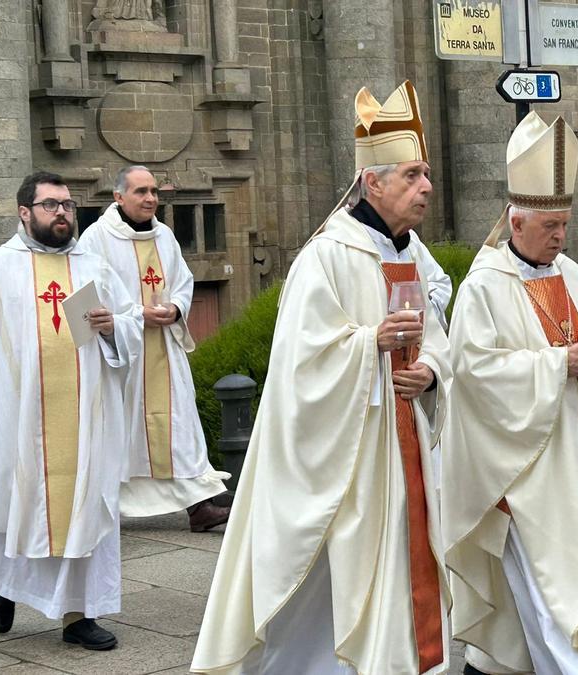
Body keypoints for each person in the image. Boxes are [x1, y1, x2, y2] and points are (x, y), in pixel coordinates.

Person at [191, 81, 452, 675]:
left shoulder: (411, 253)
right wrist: (369, 344)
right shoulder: (326, 255)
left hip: (403, 444)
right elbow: (300, 361)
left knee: (400, 566)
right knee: (326, 574)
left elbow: (435, 333)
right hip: (345, 452)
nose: (426, 188)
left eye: (426, 175)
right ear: (373, 184)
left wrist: (431, 371)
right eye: (413, 175)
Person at [0, 171, 143, 650]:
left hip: (85, 420)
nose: (62, 213)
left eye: (68, 205)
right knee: (11, 502)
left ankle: (79, 616)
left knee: (84, 511)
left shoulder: (92, 265)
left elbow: (130, 322)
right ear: (24, 212)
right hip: (18, 420)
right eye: (50, 204)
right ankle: (4, 584)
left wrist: (113, 327)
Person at [443, 111, 578, 675]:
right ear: (516, 221)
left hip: (575, 455)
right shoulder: (484, 285)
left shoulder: (572, 275)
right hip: (521, 466)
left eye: (565, 224)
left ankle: (494, 664)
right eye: (550, 225)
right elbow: (472, 371)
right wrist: (557, 366)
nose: (560, 237)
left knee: (563, 573)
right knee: (554, 581)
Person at [78, 166, 231, 532]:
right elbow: (84, 295)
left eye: (154, 191)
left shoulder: (164, 236)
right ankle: (101, 508)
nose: (150, 199)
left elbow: (183, 281)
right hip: (121, 353)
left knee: (179, 424)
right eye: (141, 192)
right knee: (120, 429)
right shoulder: (96, 239)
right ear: (118, 197)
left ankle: (199, 505)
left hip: (163, 346)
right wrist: (134, 315)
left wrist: (176, 308)